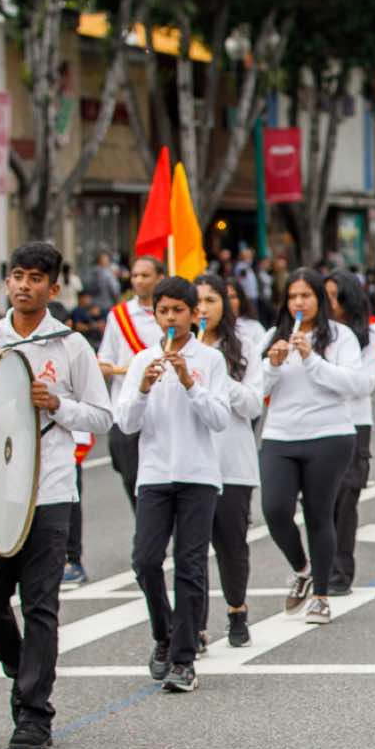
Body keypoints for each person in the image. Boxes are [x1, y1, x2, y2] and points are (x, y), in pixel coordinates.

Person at [0, 241, 114, 749]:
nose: (24, 286)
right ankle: (22, 671)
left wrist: (58, 405)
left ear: (53, 288)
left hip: (50, 490)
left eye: (35, 278)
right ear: (6, 281)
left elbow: (102, 416)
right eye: (17, 276)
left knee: (40, 606)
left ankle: (34, 712)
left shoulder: (71, 346)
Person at [113, 277, 229, 692]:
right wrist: (144, 388)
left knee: (190, 565)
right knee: (145, 561)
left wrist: (190, 383)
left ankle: (183, 660)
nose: (171, 318)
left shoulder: (210, 360)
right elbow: (126, 423)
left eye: (178, 311)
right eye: (163, 311)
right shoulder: (143, 360)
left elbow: (219, 418)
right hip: (155, 474)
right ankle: (163, 635)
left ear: (193, 314)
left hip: (198, 475)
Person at [257, 268, 366, 626]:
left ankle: (320, 595)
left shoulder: (339, 336)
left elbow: (355, 384)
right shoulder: (274, 335)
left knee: (319, 514)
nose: (299, 303)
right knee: (275, 509)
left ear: (319, 298)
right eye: (292, 297)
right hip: (280, 435)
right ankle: (301, 568)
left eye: (306, 296)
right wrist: (272, 365)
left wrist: (311, 359)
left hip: (329, 434)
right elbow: (256, 390)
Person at [193, 273, 264, 648]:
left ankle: (237, 609)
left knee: (231, 545)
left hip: (232, 462)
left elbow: (253, 405)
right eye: (197, 302)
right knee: (191, 549)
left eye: (211, 301)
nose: (203, 309)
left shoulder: (244, 346)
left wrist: (218, 373)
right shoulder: (177, 349)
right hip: (190, 464)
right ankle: (194, 623)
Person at [97, 254, 164, 511]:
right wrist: (126, 370)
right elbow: (104, 360)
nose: (138, 280)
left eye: (145, 275)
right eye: (135, 275)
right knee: (130, 474)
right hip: (125, 406)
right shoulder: (120, 316)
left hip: (160, 408)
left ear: (159, 278)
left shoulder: (169, 315)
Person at [323, 272, 375, 595]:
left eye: (334, 296)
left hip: (355, 424)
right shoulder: (316, 335)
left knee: (345, 499)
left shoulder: (366, 338)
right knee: (321, 501)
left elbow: (363, 385)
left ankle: (341, 571)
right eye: (325, 295)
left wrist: (323, 376)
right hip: (322, 424)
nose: (329, 303)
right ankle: (321, 567)